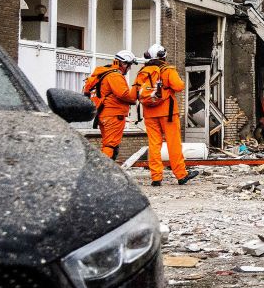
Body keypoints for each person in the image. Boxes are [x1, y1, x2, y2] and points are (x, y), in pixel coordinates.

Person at [135, 43, 198, 187]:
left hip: (149, 113)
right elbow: (179, 86)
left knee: (154, 145)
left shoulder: (142, 72)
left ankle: (156, 177)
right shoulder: (168, 70)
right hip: (168, 113)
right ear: (163, 56)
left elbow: (135, 92)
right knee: (173, 143)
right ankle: (181, 175)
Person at [83, 50, 139, 160]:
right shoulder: (115, 75)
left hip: (103, 114)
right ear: (124, 63)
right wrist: (135, 96)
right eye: (130, 65)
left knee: (107, 144)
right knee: (111, 147)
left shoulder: (103, 73)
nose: (130, 68)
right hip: (114, 115)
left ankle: (103, 170)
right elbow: (123, 94)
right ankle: (104, 172)